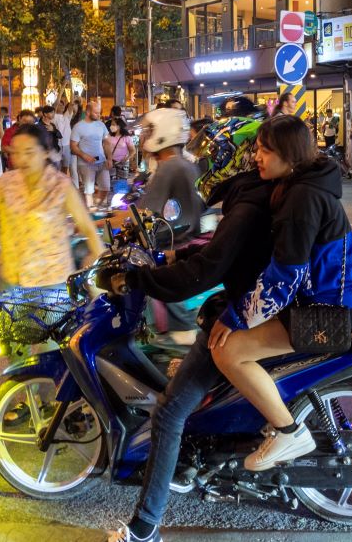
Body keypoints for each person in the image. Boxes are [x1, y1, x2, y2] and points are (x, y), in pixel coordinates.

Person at [104, 120, 275, 542]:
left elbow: (208, 267)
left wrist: (141, 280)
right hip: (247, 304)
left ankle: (145, 527)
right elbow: (212, 247)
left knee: (170, 410)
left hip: (245, 313)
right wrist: (171, 258)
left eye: (216, 155)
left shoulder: (247, 202)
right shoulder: (248, 195)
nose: (205, 161)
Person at [208, 115, 352, 472]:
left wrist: (235, 315)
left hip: (330, 311)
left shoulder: (302, 199)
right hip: (324, 301)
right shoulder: (303, 185)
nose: (256, 158)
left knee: (228, 351)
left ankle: (288, 431)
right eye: (257, 150)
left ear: (288, 154)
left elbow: (284, 277)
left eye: (265, 151)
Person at [0, 123, 104, 288]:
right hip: (13, 281)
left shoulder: (62, 186)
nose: (21, 159)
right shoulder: (6, 183)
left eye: (29, 152)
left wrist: (102, 264)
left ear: (45, 153)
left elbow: (87, 227)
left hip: (52, 284)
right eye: (16, 153)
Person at [136, 108, 203, 344]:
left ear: (162, 134)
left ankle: (178, 340)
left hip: (172, 241)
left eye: (149, 131)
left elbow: (147, 212)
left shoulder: (170, 167)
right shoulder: (182, 164)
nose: (144, 136)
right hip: (183, 235)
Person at [71, 101, 111, 209]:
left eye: (99, 113)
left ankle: (95, 205)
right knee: (89, 190)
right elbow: (73, 146)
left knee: (106, 187)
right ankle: (90, 211)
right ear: (88, 112)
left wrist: (109, 158)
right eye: (96, 113)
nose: (99, 115)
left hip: (101, 161)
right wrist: (84, 156)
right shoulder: (78, 127)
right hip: (85, 163)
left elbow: (107, 142)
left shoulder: (101, 125)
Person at [106, 116, 136, 183]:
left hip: (123, 163)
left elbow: (133, 151)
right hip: (111, 162)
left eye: (113, 124)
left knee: (122, 183)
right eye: (111, 124)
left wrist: (127, 158)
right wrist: (108, 159)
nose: (111, 126)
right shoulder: (109, 136)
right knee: (111, 182)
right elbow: (105, 148)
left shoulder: (126, 137)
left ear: (119, 126)